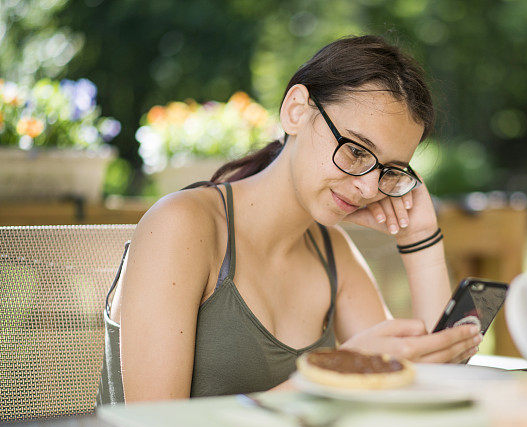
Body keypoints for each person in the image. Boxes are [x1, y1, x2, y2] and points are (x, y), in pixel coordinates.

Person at [96, 35, 482, 404]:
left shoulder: (332, 254)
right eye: (356, 151)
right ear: (296, 110)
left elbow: (427, 391)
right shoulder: (181, 226)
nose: (368, 188)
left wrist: (421, 241)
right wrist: (333, 373)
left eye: (390, 171)